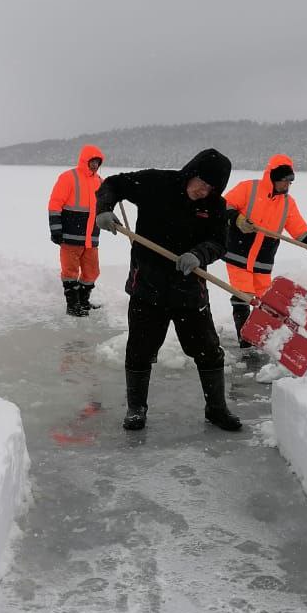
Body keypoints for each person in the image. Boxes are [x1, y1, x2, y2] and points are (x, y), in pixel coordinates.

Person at [94, 148, 241, 433]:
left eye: (212, 187)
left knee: (208, 351)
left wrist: (199, 254)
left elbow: (219, 243)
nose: (204, 190)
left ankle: (216, 408)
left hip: (189, 291)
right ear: (191, 171)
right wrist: (104, 209)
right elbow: (113, 184)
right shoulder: (156, 183)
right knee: (139, 350)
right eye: (202, 182)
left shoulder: (215, 206)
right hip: (147, 287)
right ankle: (136, 409)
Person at [222, 154, 307, 346]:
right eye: (284, 181)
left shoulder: (287, 204)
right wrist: (237, 219)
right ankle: (245, 343)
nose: (287, 186)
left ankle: (263, 337)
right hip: (238, 254)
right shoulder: (248, 188)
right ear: (273, 178)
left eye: (290, 182)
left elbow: (300, 230)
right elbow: (222, 206)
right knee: (243, 295)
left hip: (262, 261)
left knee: (265, 301)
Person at [48, 144, 106, 316]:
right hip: (70, 237)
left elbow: (103, 207)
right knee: (70, 272)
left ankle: (83, 301)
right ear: (84, 160)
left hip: (91, 238)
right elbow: (55, 204)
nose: (95, 165)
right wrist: (56, 229)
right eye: (92, 161)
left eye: (97, 162)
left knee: (92, 272)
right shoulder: (68, 177)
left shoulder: (100, 181)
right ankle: (73, 305)